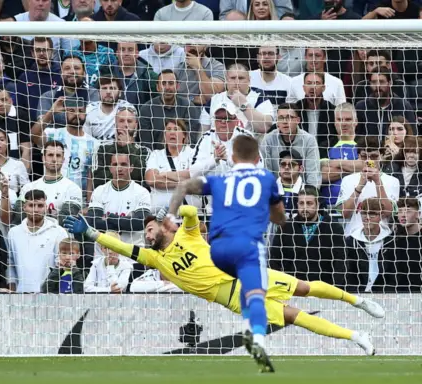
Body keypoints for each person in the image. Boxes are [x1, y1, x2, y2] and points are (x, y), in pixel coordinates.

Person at [65, 204, 382, 365]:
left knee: (303, 287)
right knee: (292, 316)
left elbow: (190, 214)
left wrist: (178, 212)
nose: (148, 235)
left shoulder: (187, 234)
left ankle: (357, 301)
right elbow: (123, 249)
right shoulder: (155, 259)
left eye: (151, 229)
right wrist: (92, 234)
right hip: (232, 297)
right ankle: (357, 337)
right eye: (145, 233)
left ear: (163, 227)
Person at [167, 134, 286, 371]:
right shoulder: (265, 177)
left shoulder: (220, 179)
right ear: (257, 158)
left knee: (244, 282)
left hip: (217, 250)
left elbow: (183, 185)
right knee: (256, 295)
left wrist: (170, 217)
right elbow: (280, 217)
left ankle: (246, 328)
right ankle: (258, 341)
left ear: (232, 157)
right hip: (247, 246)